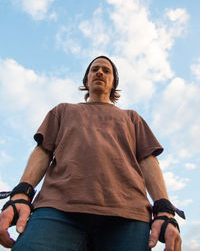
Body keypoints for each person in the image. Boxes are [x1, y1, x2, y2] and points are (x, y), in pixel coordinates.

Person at [0, 55, 185, 251]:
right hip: (56, 210)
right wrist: (20, 194)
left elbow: (148, 160)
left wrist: (164, 209)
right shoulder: (62, 111)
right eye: (94, 69)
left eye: (106, 71)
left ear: (114, 82)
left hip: (128, 215)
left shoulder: (132, 118)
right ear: (86, 79)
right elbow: (43, 151)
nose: (100, 72)